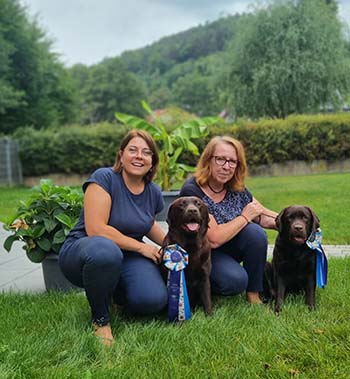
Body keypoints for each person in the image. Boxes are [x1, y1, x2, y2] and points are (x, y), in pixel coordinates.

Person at [59, 130, 168, 346]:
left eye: (146, 153)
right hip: (87, 251)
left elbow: (147, 224)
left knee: (152, 300)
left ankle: (117, 295)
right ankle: (101, 320)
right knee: (106, 251)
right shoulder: (104, 178)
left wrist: (172, 246)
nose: (139, 156)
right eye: (133, 150)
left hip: (127, 254)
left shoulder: (153, 191)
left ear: (152, 161)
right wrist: (142, 248)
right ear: (121, 155)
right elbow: (96, 229)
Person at [179, 136, 278, 304]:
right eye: (221, 159)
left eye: (233, 161)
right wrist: (245, 217)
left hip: (228, 248)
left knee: (255, 233)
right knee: (234, 282)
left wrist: (298, 224)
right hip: (203, 253)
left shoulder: (236, 188)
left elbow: (262, 215)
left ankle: (254, 295)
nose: (226, 166)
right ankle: (205, 283)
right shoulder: (193, 190)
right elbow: (214, 239)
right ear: (208, 160)